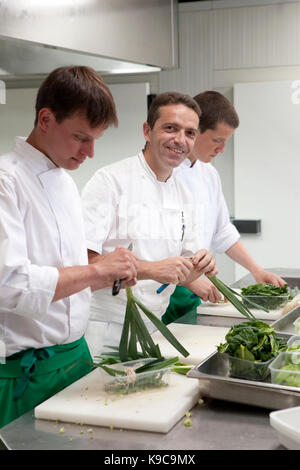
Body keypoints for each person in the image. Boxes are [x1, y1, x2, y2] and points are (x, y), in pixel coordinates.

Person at [0, 65, 138, 428]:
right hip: (27, 373)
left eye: (95, 139)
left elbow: (61, 269)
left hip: (76, 359)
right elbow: (10, 285)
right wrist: (96, 270)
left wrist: (108, 274)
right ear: (45, 119)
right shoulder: (6, 182)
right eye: (81, 138)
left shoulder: (63, 180)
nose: (90, 152)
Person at [81, 91, 218, 358]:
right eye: (170, 128)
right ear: (147, 130)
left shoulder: (183, 192)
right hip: (107, 329)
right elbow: (83, 263)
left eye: (190, 133)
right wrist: (152, 269)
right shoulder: (109, 181)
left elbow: (185, 269)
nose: (180, 140)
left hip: (155, 327)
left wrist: (201, 266)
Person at [162, 90, 285, 325]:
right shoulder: (164, 175)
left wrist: (256, 271)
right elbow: (150, 244)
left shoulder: (209, 174)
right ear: (195, 131)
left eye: (226, 141)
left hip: (197, 286)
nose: (221, 149)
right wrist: (187, 280)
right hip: (163, 289)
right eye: (217, 140)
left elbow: (222, 232)